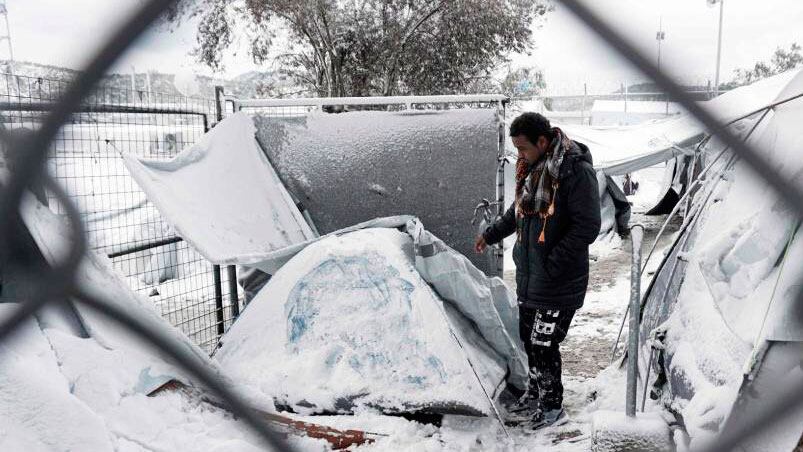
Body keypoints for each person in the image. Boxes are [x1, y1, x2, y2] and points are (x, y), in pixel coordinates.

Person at [475, 112, 601, 429]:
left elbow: (588, 226)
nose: (519, 156)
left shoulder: (575, 172)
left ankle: (552, 408)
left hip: (558, 281)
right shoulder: (532, 170)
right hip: (532, 280)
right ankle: (535, 394)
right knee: (529, 340)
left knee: (544, 345)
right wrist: (490, 234)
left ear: (542, 142)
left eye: (523, 149)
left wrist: (553, 261)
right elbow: (518, 213)